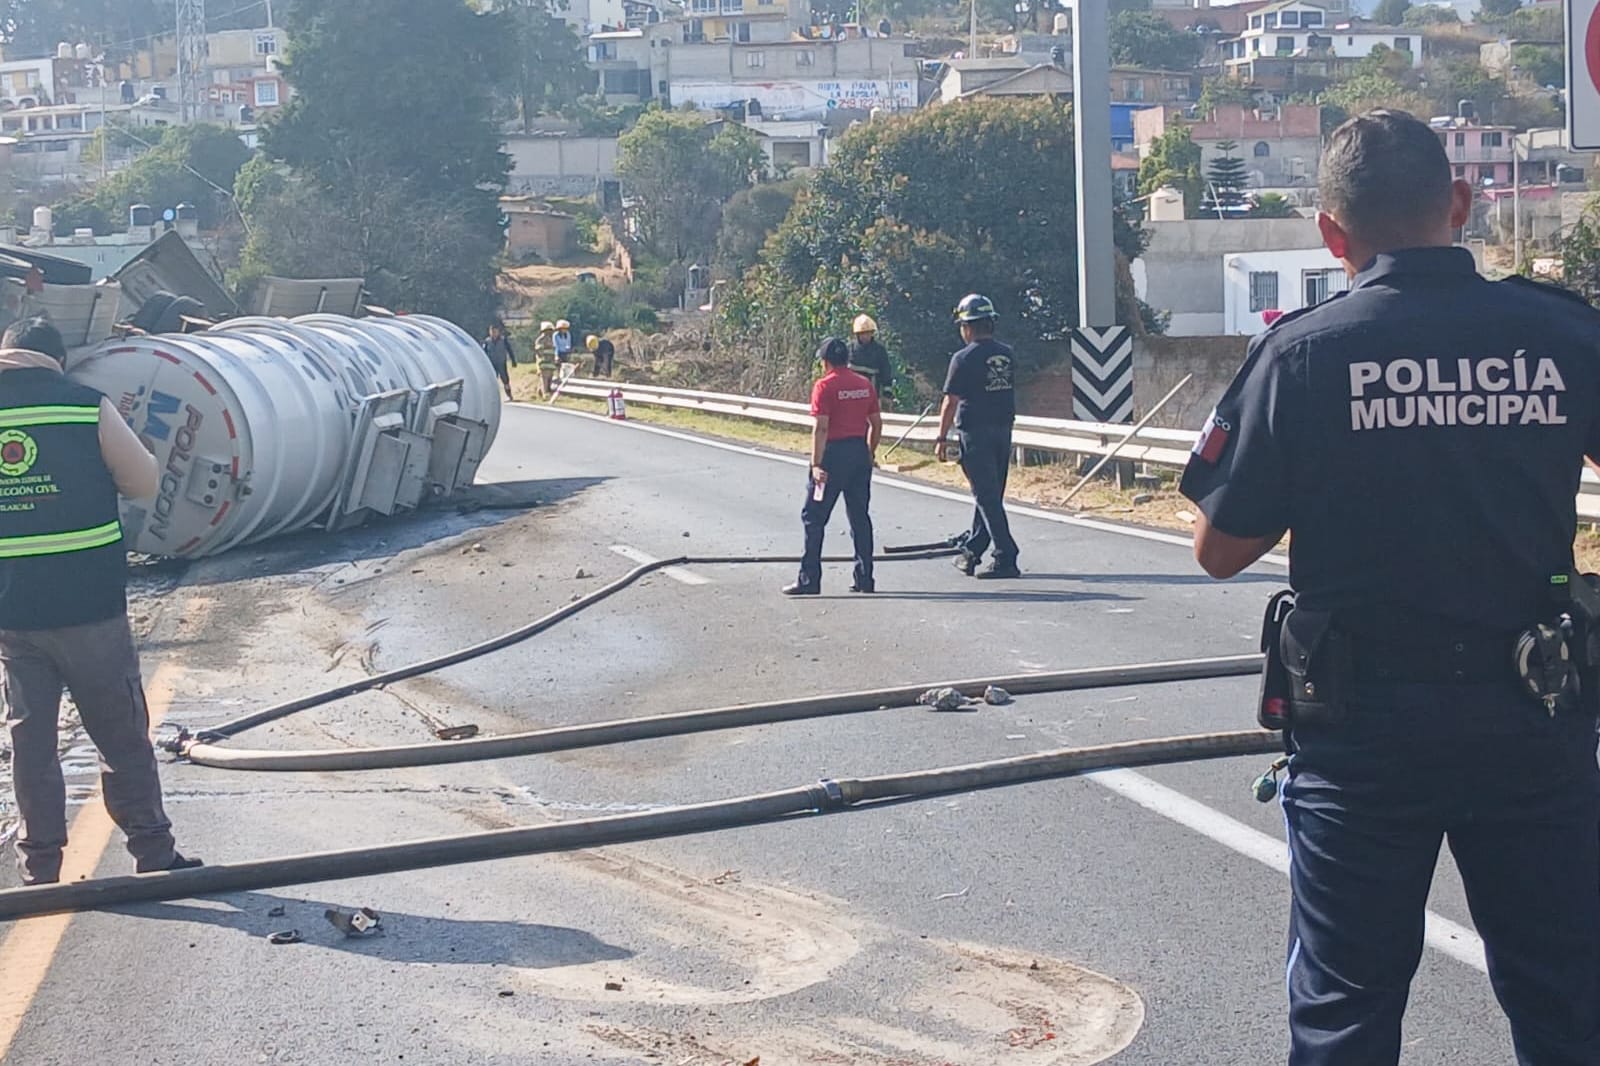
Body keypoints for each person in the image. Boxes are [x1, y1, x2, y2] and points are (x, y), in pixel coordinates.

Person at [1179, 110, 1600, 1066]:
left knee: (1346, 1013)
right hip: (1535, 718)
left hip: (1363, 733)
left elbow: (1219, 550)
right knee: (1569, 1002)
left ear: (1332, 235)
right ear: (1461, 202)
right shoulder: (1563, 333)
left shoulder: (1303, 353)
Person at [0, 318, 201, 885]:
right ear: (57, 360)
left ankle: (39, 867)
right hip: (89, 603)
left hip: (12, 609)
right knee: (119, 730)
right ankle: (152, 850)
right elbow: (143, 483)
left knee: (30, 739)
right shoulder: (85, 405)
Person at [783, 337, 881, 596]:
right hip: (858, 453)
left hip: (832, 456)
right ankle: (865, 578)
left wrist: (816, 464)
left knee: (814, 517)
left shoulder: (824, 386)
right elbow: (876, 423)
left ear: (825, 362)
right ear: (847, 359)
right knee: (860, 517)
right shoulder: (864, 384)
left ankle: (809, 580)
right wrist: (869, 452)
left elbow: (821, 427)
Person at [935, 294, 1020, 579]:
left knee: (985, 495)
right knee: (990, 494)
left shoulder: (962, 358)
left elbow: (950, 401)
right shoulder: (1007, 354)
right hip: (1003, 430)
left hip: (976, 433)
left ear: (968, 327)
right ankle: (973, 550)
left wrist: (941, 437)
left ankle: (1006, 555)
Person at [846, 314, 894, 402]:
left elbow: (886, 370)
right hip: (852, 395)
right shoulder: (849, 349)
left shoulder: (879, 350)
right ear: (857, 334)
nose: (865, 336)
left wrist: (887, 390)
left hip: (872, 394)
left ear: (872, 333)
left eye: (868, 333)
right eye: (862, 333)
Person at [482, 321, 516, 400]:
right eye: (492, 331)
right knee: (493, 381)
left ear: (498, 332)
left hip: (501, 363)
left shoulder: (503, 340)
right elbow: (483, 353)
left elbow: (509, 350)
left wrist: (513, 360)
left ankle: (509, 395)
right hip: (491, 364)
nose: (494, 333)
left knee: (505, 380)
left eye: (495, 331)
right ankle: (493, 396)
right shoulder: (487, 341)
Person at [534, 320, 557, 396]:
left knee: (549, 378)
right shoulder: (540, 340)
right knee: (544, 378)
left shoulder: (551, 339)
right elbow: (539, 351)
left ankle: (541, 392)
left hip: (550, 362)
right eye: (549, 330)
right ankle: (545, 393)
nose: (550, 332)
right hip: (543, 362)